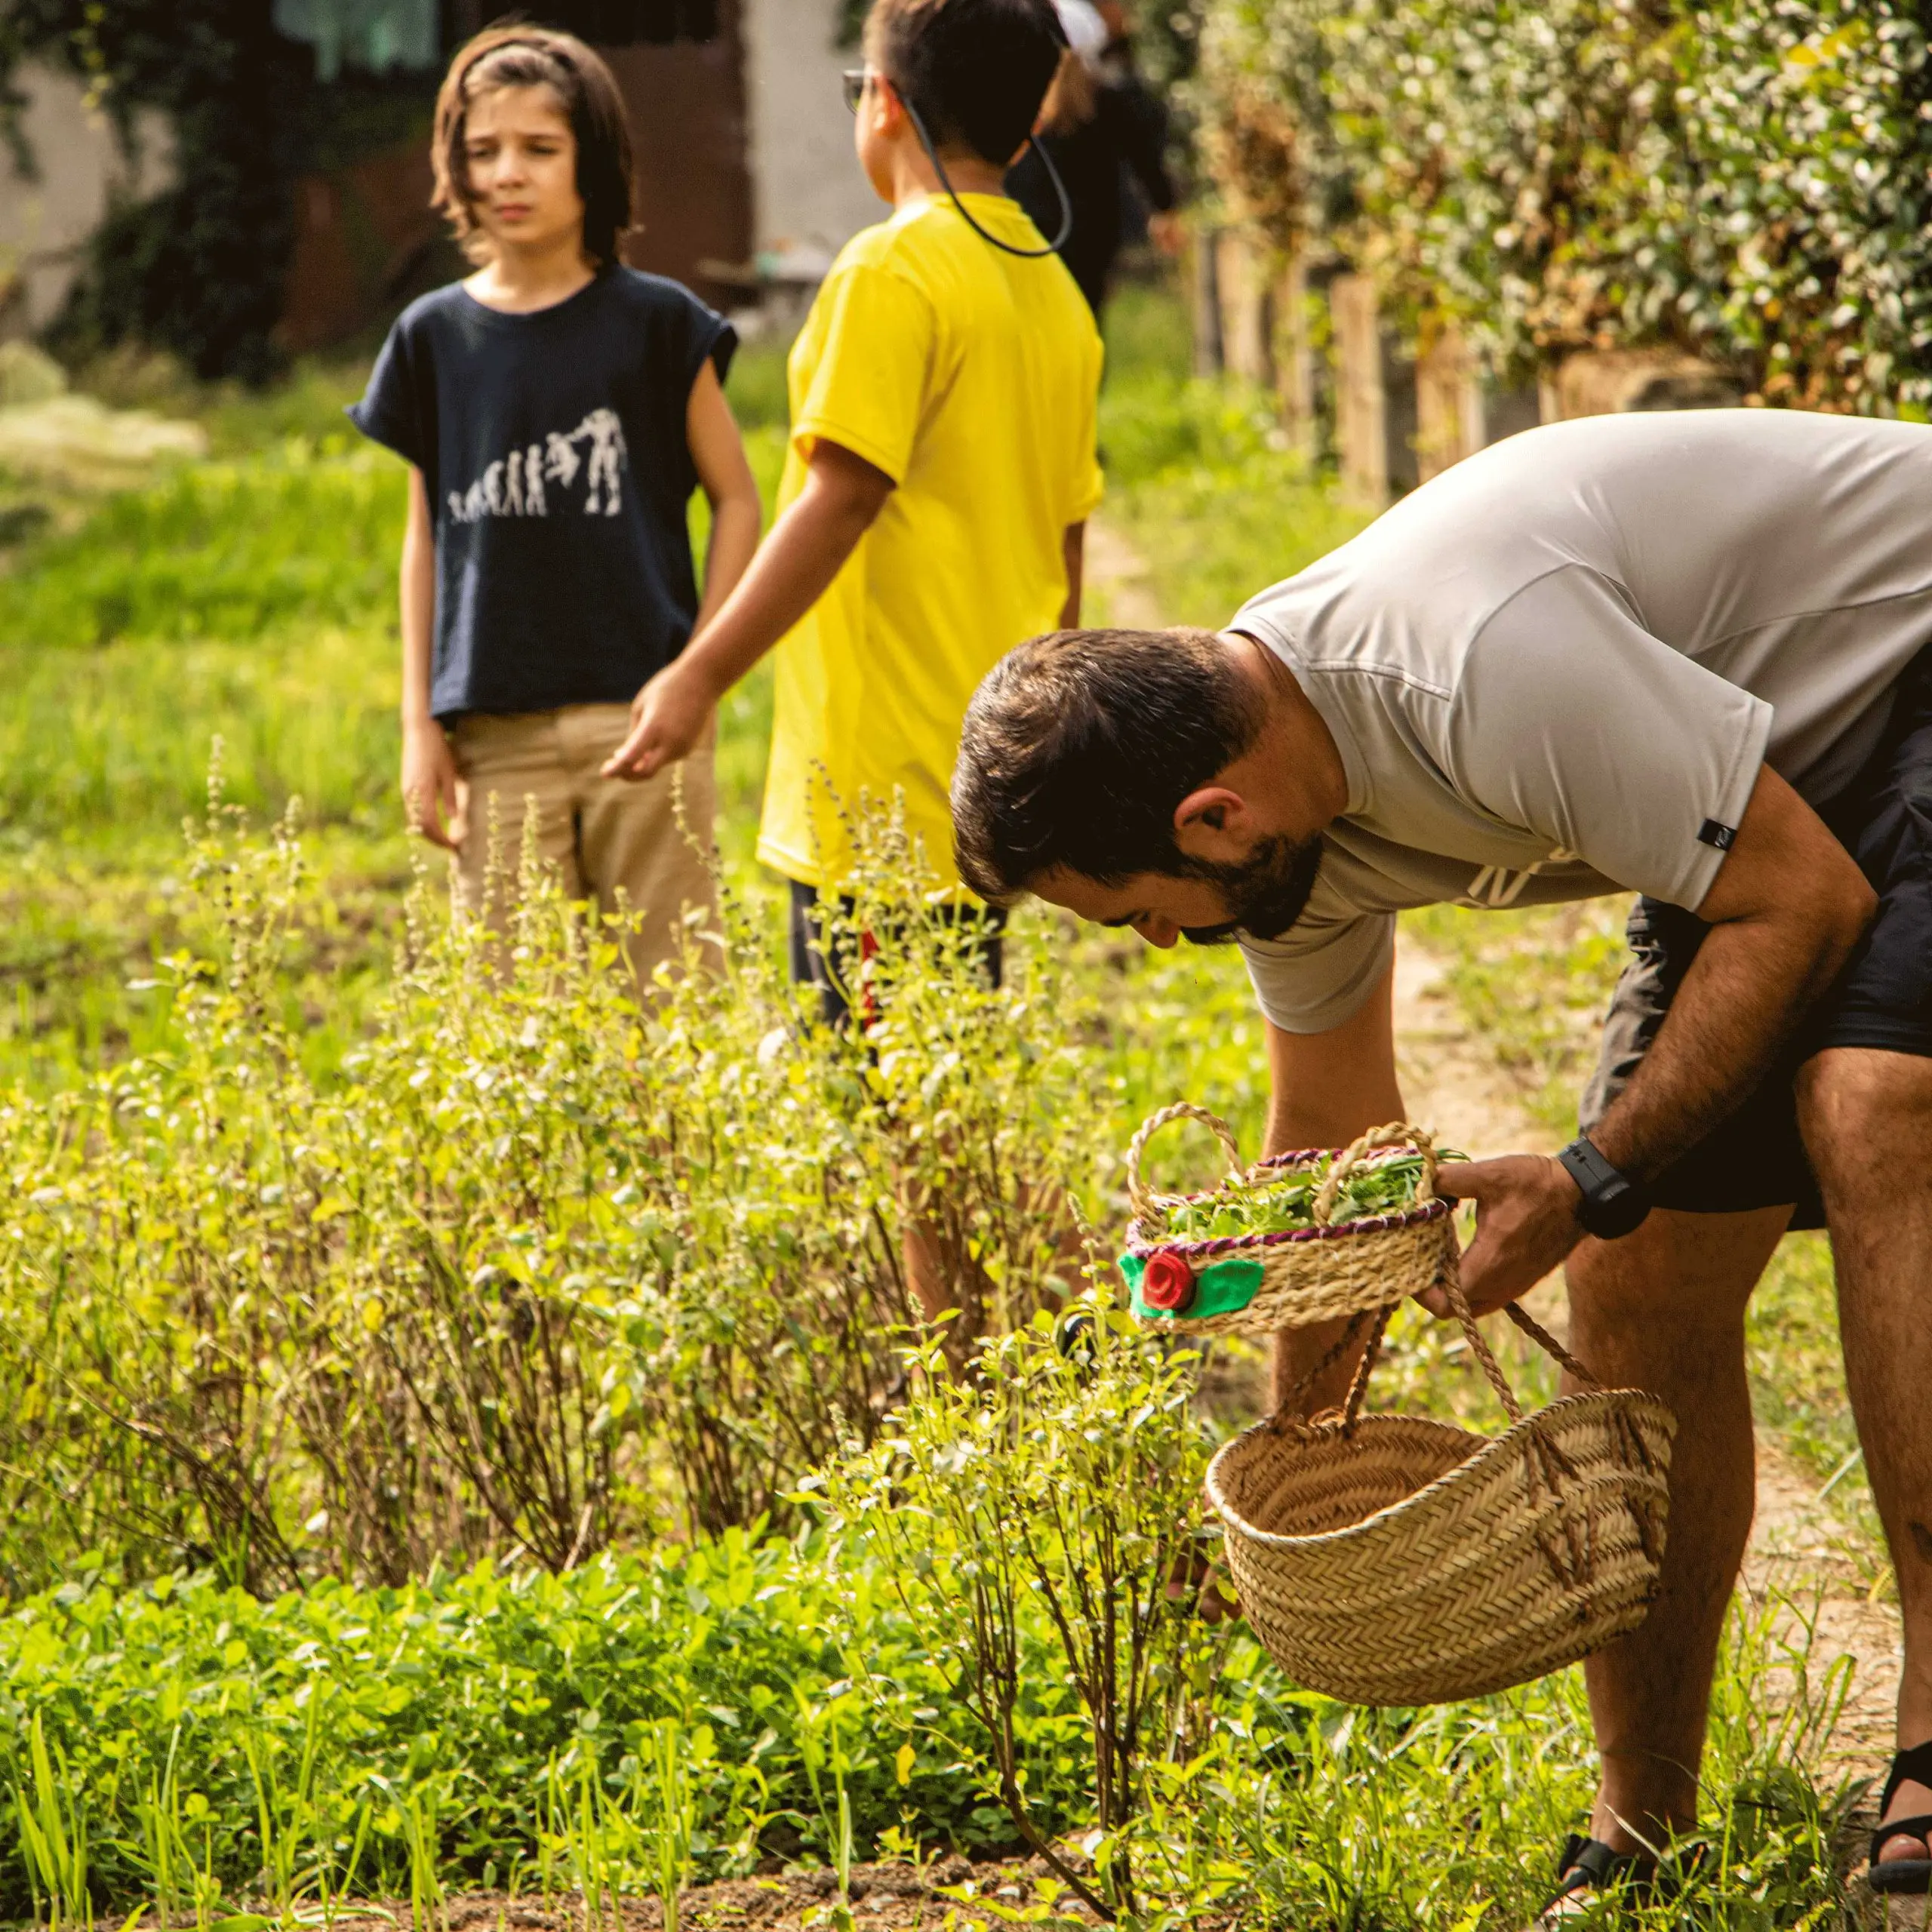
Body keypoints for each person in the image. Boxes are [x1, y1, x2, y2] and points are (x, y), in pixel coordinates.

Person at [950, 406, 1932, 1918]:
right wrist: (1306, 1456)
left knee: (1873, 1101)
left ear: (1210, 818)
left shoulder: (1471, 659)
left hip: (1904, 673)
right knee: (1632, 1265)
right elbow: (1330, 1139)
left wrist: (1582, 1165)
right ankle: (1642, 1812)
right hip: (1758, 766)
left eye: (1136, 912)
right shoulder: (1279, 823)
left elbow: (1796, 900)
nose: (1157, 944)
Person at [600, 0, 1103, 1318]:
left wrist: (699, 673)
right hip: (981, 777)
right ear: (1033, 112)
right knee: (946, 1093)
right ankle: (1056, 1356)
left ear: (883, 100)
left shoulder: (892, 273)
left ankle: (995, 1386)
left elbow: (837, 499)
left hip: (877, 796)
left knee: (916, 1132)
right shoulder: (1048, 289)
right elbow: (1069, 552)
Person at [347, 24, 761, 991]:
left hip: (642, 721)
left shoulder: (659, 324)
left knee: (673, 1010)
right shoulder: (431, 338)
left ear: (594, 163)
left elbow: (738, 499)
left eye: (540, 148)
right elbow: (426, 537)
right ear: (454, 164)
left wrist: (701, 669)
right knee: (511, 1021)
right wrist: (420, 722)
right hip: (492, 736)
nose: (509, 173)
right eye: (484, 150)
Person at [1010, 0, 1181, 318]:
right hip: (1094, 241)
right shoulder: (1111, 100)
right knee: (1084, 325)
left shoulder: (1021, 106)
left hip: (1030, 238)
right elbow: (1146, 161)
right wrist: (1164, 209)